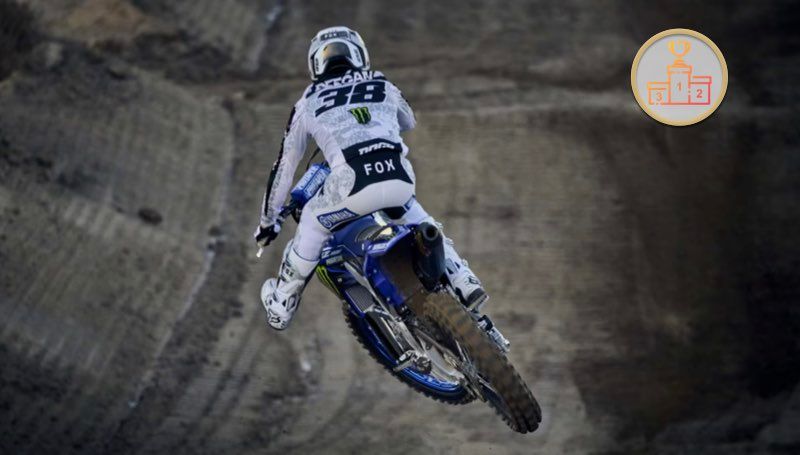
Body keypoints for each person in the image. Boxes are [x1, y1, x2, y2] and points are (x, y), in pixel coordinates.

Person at [255, 26, 487, 330]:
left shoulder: (308, 101)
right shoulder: (382, 83)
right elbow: (408, 121)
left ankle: (283, 302)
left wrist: (268, 222)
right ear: (359, 55)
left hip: (350, 184)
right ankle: (463, 278)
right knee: (416, 216)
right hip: (398, 177)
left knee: (312, 220)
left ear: (315, 65)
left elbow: (284, 166)